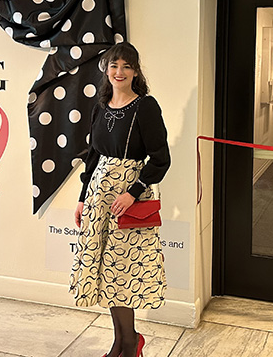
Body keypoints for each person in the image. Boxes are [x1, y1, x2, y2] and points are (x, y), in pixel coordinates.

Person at [70, 42, 171, 357]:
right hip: (100, 198)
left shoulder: (146, 106)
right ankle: (123, 342)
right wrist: (83, 198)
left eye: (126, 66)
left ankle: (129, 345)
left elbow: (161, 159)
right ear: (106, 69)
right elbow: (93, 155)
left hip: (129, 201)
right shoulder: (100, 105)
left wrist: (133, 191)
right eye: (114, 65)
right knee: (108, 274)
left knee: (123, 272)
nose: (119, 72)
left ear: (136, 71)